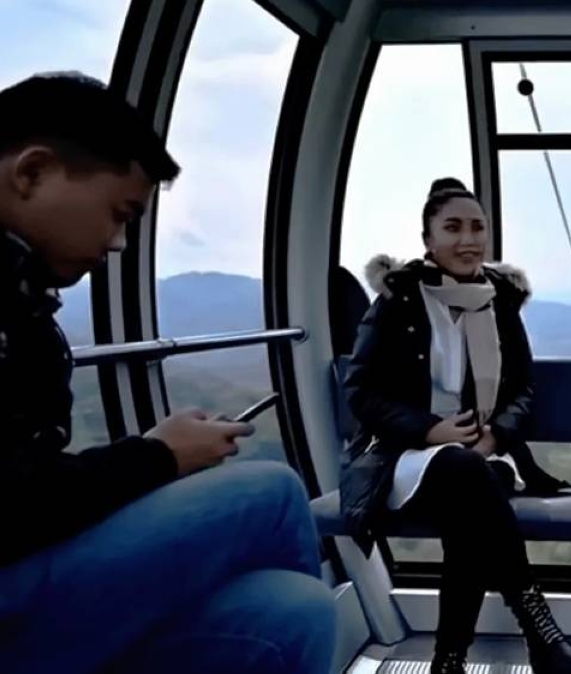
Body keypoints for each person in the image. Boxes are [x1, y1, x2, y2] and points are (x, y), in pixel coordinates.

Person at [0, 73, 335, 674]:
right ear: (33, 173)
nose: (119, 243)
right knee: (274, 493)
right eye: (119, 214)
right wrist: (156, 457)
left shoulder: (20, 297)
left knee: (296, 612)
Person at [339, 177, 571, 674]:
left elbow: (523, 387)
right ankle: (539, 630)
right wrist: (429, 430)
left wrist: (494, 435)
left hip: (484, 455)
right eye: (452, 228)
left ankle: (450, 659)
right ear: (428, 239)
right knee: (466, 479)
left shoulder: (500, 298)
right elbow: (361, 391)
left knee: (469, 504)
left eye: (477, 227)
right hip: (403, 455)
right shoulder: (399, 299)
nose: (468, 239)